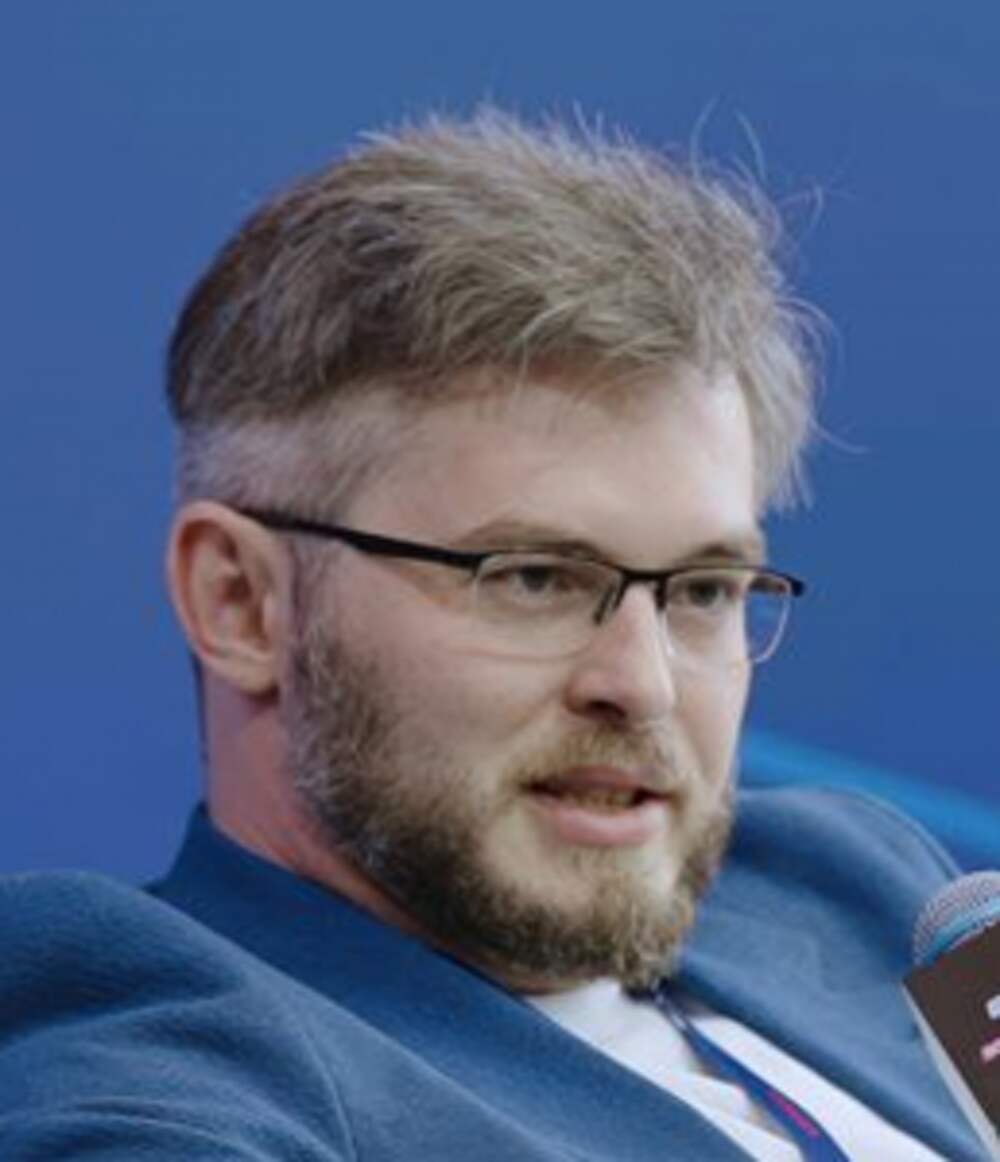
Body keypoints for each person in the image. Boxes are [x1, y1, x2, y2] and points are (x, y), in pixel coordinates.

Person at [0, 109, 984, 1161]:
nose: (643, 683)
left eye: (702, 589)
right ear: (239, 602)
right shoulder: (162, 1045)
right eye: (534, 579)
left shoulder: (858, 886)